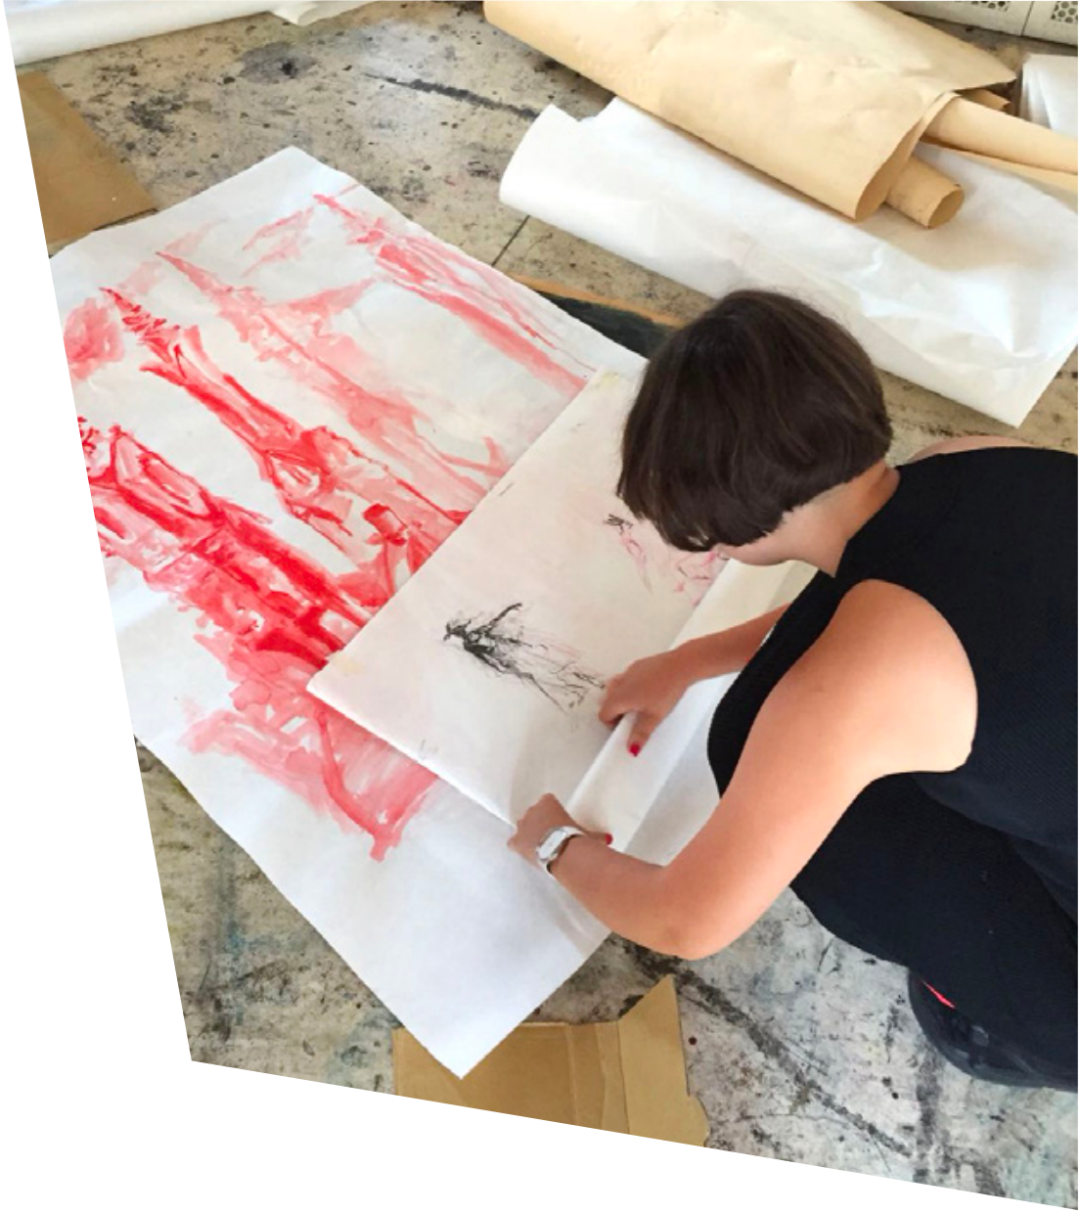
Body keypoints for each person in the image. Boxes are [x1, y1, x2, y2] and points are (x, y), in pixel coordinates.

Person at [509, 290, 1077, 1093]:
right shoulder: (970, 458)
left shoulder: (868, 671)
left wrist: (555, 844)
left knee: (752, 738)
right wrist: (690, 659)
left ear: (725, 531)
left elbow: (687, 917)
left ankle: (996, 1027)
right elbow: (881, 599)